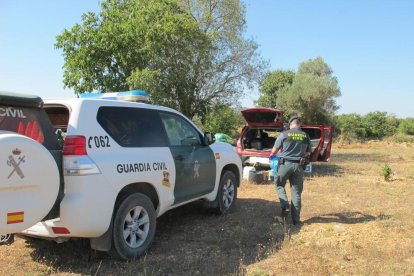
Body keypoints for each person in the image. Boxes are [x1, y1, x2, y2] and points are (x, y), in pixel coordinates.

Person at [270, 115, 312, 225]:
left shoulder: (284, 134)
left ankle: (285, 206)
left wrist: (273, 155)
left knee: (279, 185)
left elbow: (274, 151)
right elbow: (308, 152)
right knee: (296, 192)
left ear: (290, 124)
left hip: (285, 164)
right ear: (299, 124)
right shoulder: (305, 135)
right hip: (299, 166)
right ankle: (296, 220)